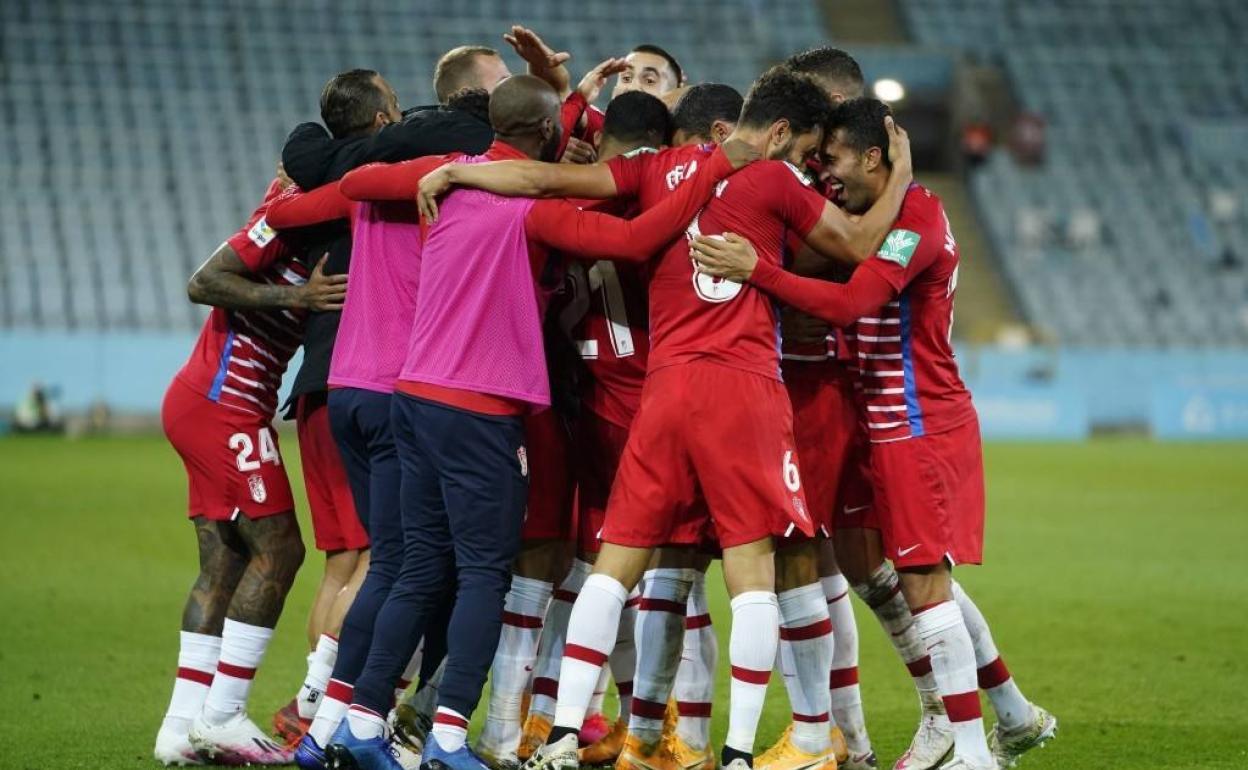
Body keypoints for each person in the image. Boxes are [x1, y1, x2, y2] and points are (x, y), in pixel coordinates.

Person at [321, 74, 757, 770]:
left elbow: (355, 183)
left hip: (413, 397)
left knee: (416, 569)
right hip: (480, 410)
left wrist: (441, 169)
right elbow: (641, 237)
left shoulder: (454, 179)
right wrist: (715, 169)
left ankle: (358, 725)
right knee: (486, 576)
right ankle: (451, 741)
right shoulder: (527, 207)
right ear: (549, 133)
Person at [496, 67, 912, 770]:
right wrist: (898, 174)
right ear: (778, 131)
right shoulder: (777, 183)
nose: (804, 164)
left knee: (616, 565)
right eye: (803, 147)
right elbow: (862, 245)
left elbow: (544, 184)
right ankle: (741, 750)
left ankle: (566, 731)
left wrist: (454, 175)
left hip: (663, 388)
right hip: (742, 388)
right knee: (753, 572)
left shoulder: (656, 168)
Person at [690, 97, 1056, 770]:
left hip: (918, 419)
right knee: (909, 575)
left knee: (923, 582)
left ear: (872, 156)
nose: (827, 176)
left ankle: (970, 751)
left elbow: (855, 300)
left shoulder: (914, 216)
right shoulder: (878, 214)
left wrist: (760, 273)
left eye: (833, 161)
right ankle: (1001, 717)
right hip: (885, 422)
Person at [476, 90, 677, 770]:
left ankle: (537, 720)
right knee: (675, 577)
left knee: (588, 573)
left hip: (574, 403)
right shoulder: (658, 205)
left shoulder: (554, 207)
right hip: (652, 404)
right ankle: (654, 730)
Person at [154, 173, 345, 766]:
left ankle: (180, 729)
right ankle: (225, 715)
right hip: (224, 403)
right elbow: (203, 281)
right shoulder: (287, 216)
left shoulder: (305, 217)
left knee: (225, 561)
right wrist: (297, 298)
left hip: (214, 402)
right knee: (281, 549)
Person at [268, 69, 401, 751]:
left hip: (315, 390)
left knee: (345, 561)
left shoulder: (318, 194)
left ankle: (306, 703)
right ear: (383, 121)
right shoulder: (379, 191)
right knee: (380, 560)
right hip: (362, 382)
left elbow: (299, 156)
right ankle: (323, 708)